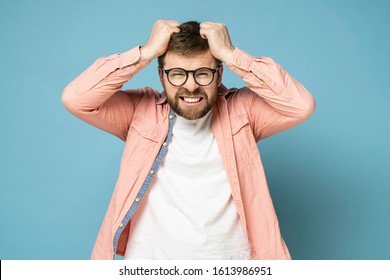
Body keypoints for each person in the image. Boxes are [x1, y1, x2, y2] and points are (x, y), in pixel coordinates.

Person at [62, 20, 315, 260]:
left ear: (219, 74)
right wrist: (145, 52)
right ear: (161, 76)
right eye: (177, 74)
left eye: (203, 73)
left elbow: (300, 106)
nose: (191, 86)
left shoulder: (244, 112)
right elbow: (75, 98)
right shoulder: (139, 111)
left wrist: (231, 53)